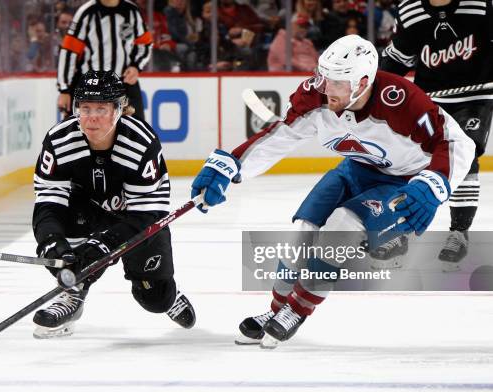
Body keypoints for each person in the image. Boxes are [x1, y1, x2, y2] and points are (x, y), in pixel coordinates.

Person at [191, 35, 475, 348]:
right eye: (324, 77)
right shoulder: (316, 95)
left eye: (338, 82)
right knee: (304, 230)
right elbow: (280, 135)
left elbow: (457, 142)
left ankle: (298, 310)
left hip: (402, 183)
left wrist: (435, 184)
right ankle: (275, 311)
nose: (326, 88)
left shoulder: (402, 100)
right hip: (355, 169)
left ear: (363, 82)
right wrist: (231, 168)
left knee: (342, 226)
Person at [32, 70, 195, 339]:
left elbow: (147, 214)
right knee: (69, 242)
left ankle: (169, 294)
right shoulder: (59, 140)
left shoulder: (141, 142)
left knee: (155, 300)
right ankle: (73, 289)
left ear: (119, 109)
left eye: (101, 108)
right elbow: (49, 201)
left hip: (135, 219)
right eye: (85, 108)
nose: (91, 116)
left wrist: (103, 245)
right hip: (87, 213)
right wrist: (51, 241)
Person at [380, 0, 493, 271]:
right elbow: (397, 58)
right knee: (414, 162)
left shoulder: (481, 4)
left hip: (475, 95)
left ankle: (459, 233)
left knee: (463, 156)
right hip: (430, 99)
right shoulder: (410, 9)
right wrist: (376, 88)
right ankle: (404, 230)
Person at [56, 0, 152, 120]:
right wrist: (64, 89)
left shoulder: (131, 11)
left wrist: (136, 66)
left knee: (136, 132)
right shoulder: (86, 13)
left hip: (124, 84)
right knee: (82, 134)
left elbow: (145, 43)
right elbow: (69, 51)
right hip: (91, 85)